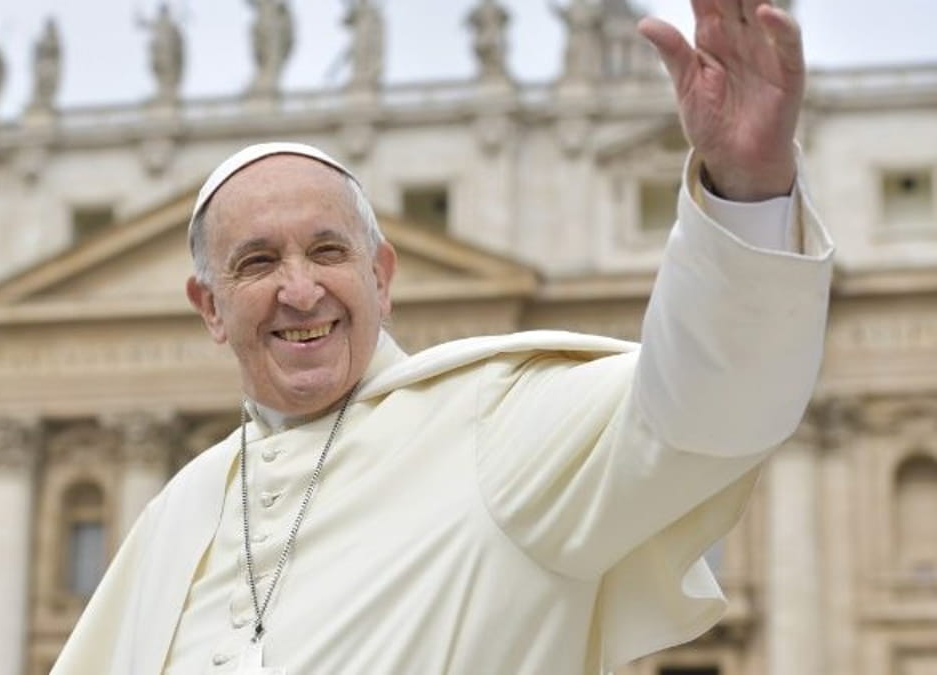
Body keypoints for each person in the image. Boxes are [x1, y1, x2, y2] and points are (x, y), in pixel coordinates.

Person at [52, 1, 833, 673]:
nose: (300, 290)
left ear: (382, 276)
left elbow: (701, 408)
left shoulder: (496, 422)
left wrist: (747, 188)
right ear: (210, 307)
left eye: (328, 251)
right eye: (258, 263)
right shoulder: (176, 513)